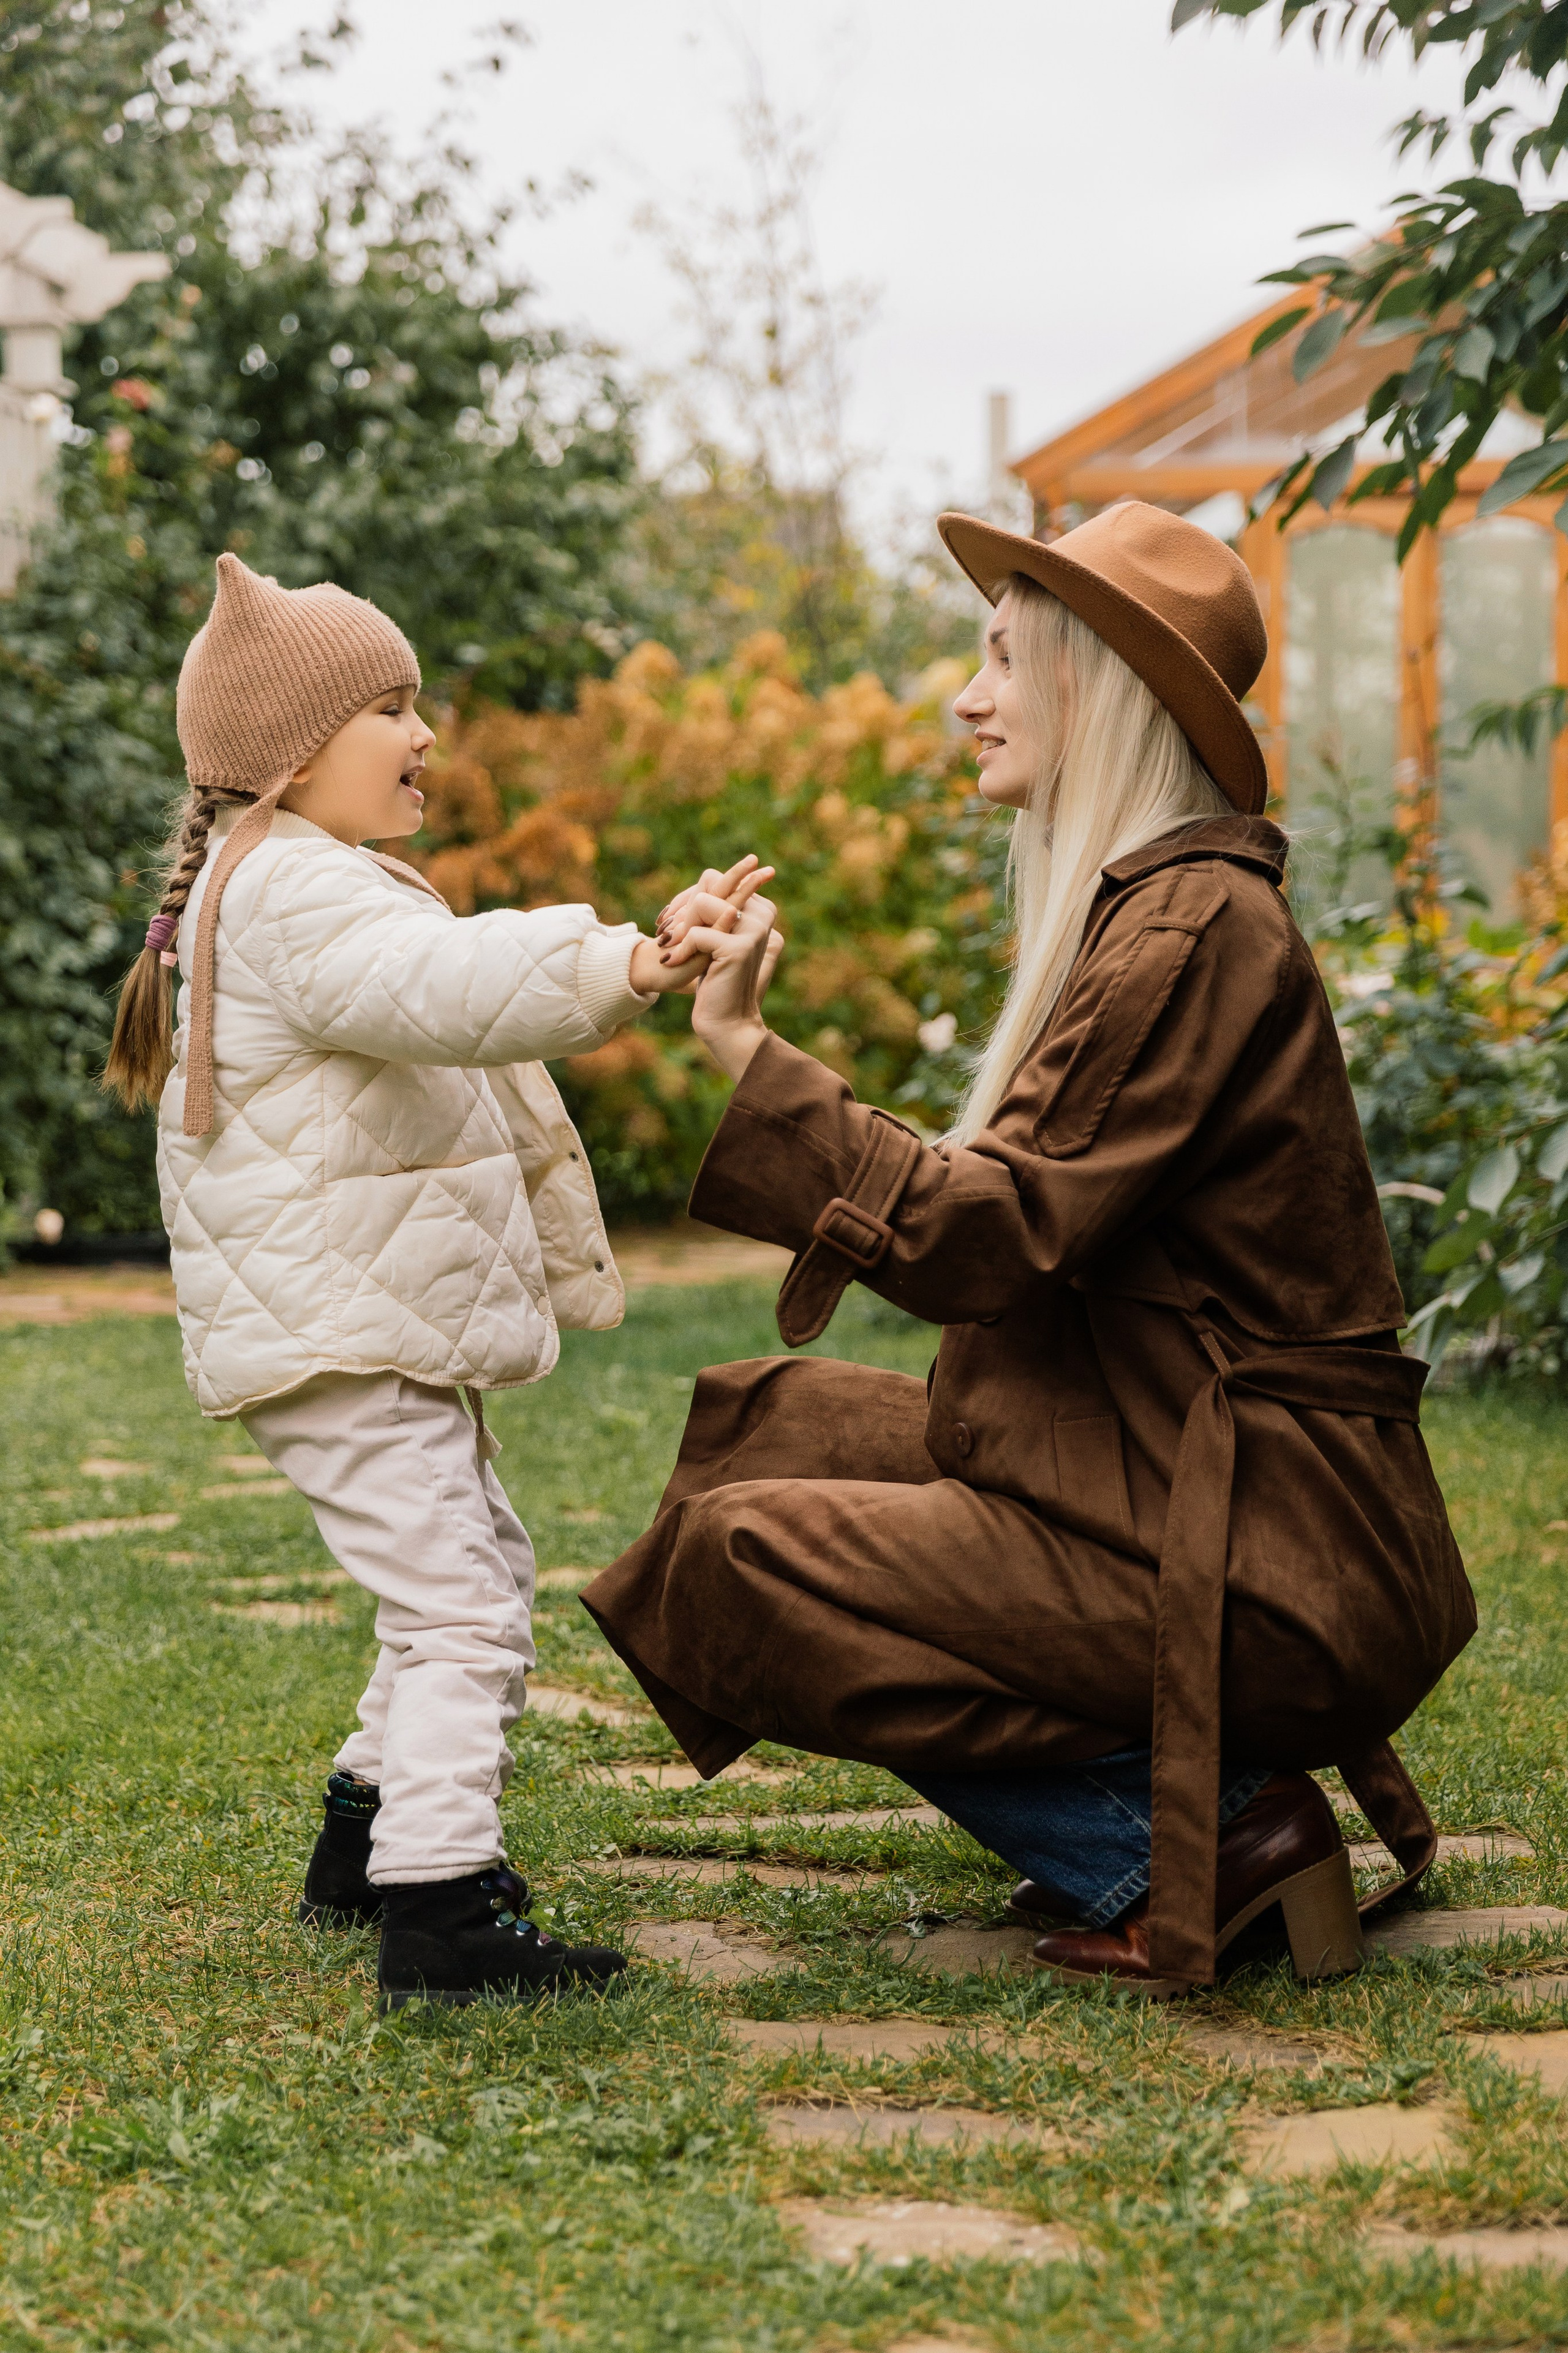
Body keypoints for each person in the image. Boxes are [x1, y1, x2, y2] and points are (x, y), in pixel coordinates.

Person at [582, 501, 1477, 1997]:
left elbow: (983, 1237)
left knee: (745, 1563)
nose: (965, 695)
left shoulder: (1186, 932)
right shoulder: (1160, 913)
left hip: (1266, 1559)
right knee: (766, 1429)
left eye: (1002, 657)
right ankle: (1174, 1808)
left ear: (1098, 686)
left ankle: (1193, 1840)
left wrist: (748, 1052)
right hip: (1170, 1483)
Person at [105, 553, 772, 2011]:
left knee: (468, 1574)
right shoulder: (292, 886)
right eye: (390, 707)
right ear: (295, 751)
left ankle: (365, 1844)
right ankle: (442, 1909)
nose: (425, 733)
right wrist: (628, 960)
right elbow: (449, 985)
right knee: (462, 1603)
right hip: (339, 1329)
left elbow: (431, 980)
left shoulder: (295, 878)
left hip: (355, 1324)